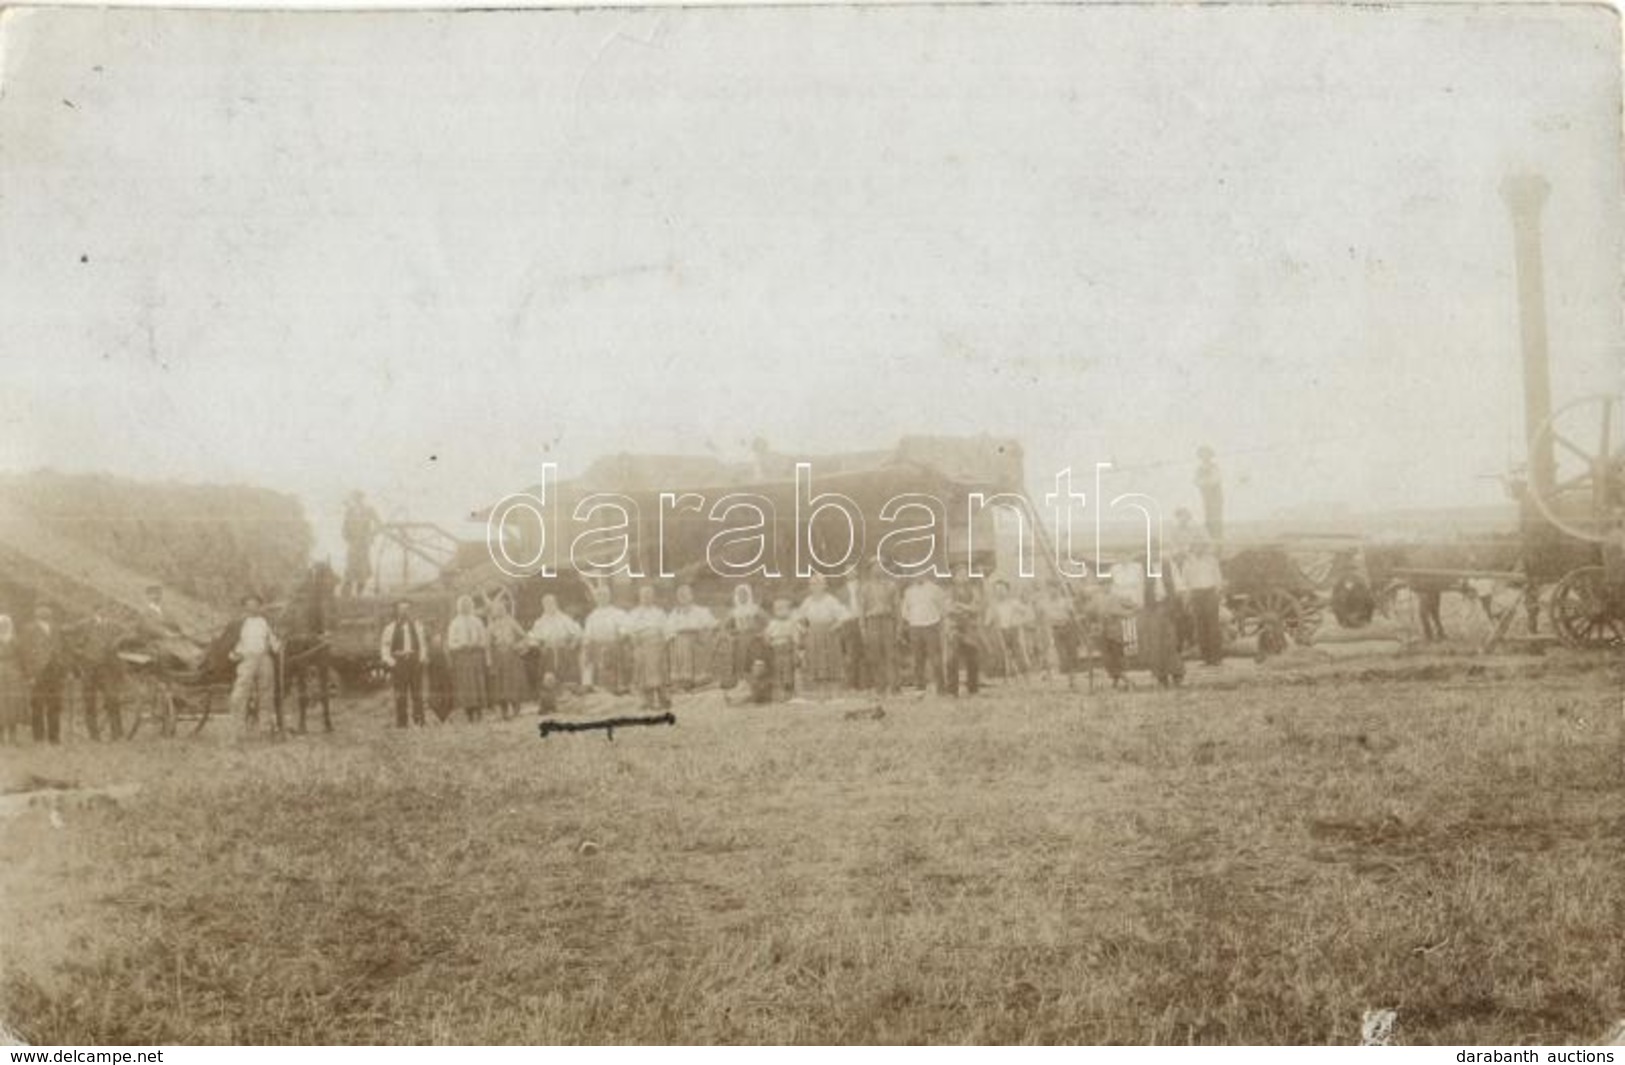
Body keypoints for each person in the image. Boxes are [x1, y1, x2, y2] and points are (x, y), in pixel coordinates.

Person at [228, 594, 282, 737]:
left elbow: (273, 642)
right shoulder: (239, 623)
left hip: (264, 659)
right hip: (247, 659)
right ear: (245, 607)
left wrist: (278, 645)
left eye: (255, 604)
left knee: (266, 694)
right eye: (249, 604)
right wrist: (234, 654)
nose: (252, 607)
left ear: (259, 606)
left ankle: (264, 729)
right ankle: (238, 730)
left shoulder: (265, 622)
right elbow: (231, 643)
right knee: (239, 694)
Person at [76, 607, 128, 740]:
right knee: (89, 701)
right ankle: (93, 735)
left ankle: (117, 733)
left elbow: (127, 632)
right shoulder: (85, 624)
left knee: (112, 699)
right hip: (89, 668)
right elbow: (69, 634)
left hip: (107, 668)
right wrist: (78, 653)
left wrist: (118, 641)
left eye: (105, 611)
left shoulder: (113, 625)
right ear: (94, 612)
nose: (102, 613)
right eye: (99, 611)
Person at [797, 573, 850, 697]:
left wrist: (835, 625)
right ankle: (821, 693)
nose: (815, 587)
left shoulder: (830, 600)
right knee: (817, 663)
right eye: (812, 584)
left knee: (831, 662)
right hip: (814, 636)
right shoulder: (808, 601)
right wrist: (804, 629)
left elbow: (845, 615)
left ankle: (835, 693)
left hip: (829, 635)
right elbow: (799, 618)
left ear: (824, 586)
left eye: (818, 584)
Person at [378, 599, 427, 728]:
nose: (405, 612)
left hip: (414, 661)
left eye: (407, 609)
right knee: (400, 694)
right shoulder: (390, 628)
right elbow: (384, 647)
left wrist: (421, 659)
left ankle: (419, 721)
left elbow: (422, 645)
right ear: (397, 611)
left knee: (417, 693)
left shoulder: (417, 626)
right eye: (401, 609)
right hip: (399, 663)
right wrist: (392, 662)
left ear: (410, 611)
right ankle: (402, 723)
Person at [854, 561, 900, 694]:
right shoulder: (864, 588)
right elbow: (861, 610)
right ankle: (880, 687)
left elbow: (897, 608)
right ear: (870, 570)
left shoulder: (891, 586)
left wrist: (898, 627)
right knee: (875, 656)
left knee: (891, 655)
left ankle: (894, 687)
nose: (878, 570)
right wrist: (863, 629)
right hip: (872, 622)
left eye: (880, 567)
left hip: (887, 621)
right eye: (875, 567)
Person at [625, 586, 672, 711]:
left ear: (653, 597)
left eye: (649, 595)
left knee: (658, 672)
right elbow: (629, 631)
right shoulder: (633, 613)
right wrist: (634, 640)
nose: (646, 598)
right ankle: (645, 700)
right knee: (642, 673)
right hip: (641, 644)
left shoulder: (659, 612)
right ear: (640, 597)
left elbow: (667, 631)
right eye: (644, 595)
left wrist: (663, 644)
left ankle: (662, 699)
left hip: (657, 644)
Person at [1180, 540, 1226, 666]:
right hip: (1196, 595)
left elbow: (1218, 579)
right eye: (1195, 546)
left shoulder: (1211, 560)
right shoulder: (1188, 563)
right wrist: (1187, 598)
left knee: (1213, 626)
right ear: (1192, 548)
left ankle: (1216, 657)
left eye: (1201, 546)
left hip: (1210, 593)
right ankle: (1206, 658)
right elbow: (1184, 582)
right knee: (1200, 627)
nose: (1198, 549)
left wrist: (1217, 594)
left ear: (1204, 547)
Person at [900, 572, 947, 693]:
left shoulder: (935, 589)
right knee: (918, 659)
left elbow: (942, 608)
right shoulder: (909, 591)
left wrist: (937, 622)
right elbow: (904, 610)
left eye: (921, 572)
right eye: (915, 573)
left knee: (936, 658)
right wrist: (913, 620)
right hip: (915, 628)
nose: (918, 576)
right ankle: (920, 688)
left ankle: (941, 688)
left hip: (931, 626)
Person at [526, 594, 583, 693]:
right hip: (548, 653)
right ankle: (551, 699)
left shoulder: (564, 618)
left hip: (563, 652)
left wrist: (572, 645)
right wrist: (539, 647)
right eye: (546, 604)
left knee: (566, 677)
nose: (549, 606)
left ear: (556, 604)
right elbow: (533, 638)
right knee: (549, 678)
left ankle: (567, 697)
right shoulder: (540, 622)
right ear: (543, 606)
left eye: (551, 603)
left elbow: (577, 633)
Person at [666, 584, 718, 691]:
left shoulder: (700, 611)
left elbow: (712, 624)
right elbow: (668, 629)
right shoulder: (675, 613)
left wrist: (703, 633)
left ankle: (698, 679)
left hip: (698, 639)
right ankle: (684, 679)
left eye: (685, 594)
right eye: (680, 595)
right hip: (679, 641)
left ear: (691, 596)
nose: (683, 597)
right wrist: (672, 637)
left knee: (687, 643)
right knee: (680, 643)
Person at [446, 595, 489, 722]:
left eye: (467, 605)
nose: (465, 607)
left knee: (477, 683)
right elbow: (450, 643)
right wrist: (460, 645)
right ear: (459, 607)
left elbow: (484, 639)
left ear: (471, 606)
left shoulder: (477, 621)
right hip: (462, 656)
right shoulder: (454, 623)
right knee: (466, 685)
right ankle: (469, 713)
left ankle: (479, 711)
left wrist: (477, 644)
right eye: (462, 605)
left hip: (475, 654)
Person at [944, 563, 985, 696]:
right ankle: (952, 690)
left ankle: (973, 689)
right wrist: (966, 608)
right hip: (954, 627)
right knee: (952, 659)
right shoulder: (949, 591)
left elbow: (977, 608)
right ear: (954, 577)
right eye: (959, 574)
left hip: (970, 628)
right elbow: (948, 608)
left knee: (973, 658)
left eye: (965, 574)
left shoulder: (973, 590)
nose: (963, 576)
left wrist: (961, 606)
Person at [581, 585, 630, 695]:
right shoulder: (592, 616)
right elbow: (588, 635)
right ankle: (591, 685)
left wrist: (621, 634)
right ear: (596, 599)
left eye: (604, 596)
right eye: (599, 596)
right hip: (596, 646)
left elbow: (624, 628)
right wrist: (587, 645)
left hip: (613, 644)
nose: (602, 598)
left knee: (614, 656)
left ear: (609, 597)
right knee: (587, 655)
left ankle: (617, 686)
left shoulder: (617, 613)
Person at [486, 599, 528, 719]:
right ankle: (504, 709)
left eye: (501, 609)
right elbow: (487, 645)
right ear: (493, 611)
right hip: (498, 656)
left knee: (512, 681)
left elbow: (524, 636)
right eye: (497, 610)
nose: (499, 612)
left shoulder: (511, 622)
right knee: (500, 683)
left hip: (511, 655)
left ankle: (516, 706)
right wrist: (489, 660)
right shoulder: (491, 625)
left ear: (505, 610)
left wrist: (519, 646)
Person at [1037, 581, 1082, 688]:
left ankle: (1072, 679)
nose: (1053, 591)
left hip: (1068, 627)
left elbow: (1073, 615)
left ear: (1058, 589)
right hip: (1055, 630)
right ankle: (1065, 676)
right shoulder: (1044, 603)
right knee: (1062, 654)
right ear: (1047, 590)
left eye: (1055, 589)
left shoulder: (1065, 601)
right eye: (1050, 589)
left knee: (1072, 653)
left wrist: (1075, 625)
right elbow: (1039, 616)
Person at [721, 584, 765, 689]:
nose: (742, 597)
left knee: (754, 654)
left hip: (754, 637)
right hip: (740, 637)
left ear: (749, 595)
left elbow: (766, 622)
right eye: (740, 595)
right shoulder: (734, 612)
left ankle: (754, 679)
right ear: (736, 596)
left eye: (744, 594)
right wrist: (730, 634)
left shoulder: (755, 608)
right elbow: (725, 626)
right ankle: (741, 678)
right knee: (740, 652)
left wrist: (761, 632)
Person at [987, 580, 1032, 681]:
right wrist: (991, 620)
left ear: (1007, 590)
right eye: (997, 590)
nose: (1000, 592)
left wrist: (1020, 621)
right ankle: (1008, 675)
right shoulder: (993, 606)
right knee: (1004, 653)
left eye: (1002, 589)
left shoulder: (1013, 603)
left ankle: (1025, 674)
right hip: (1001, 631)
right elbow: (987, 621)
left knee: (1019, 651)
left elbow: (1028, 613)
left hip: (1014, 629)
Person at [341, 491, 381, 598]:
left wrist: (371, 535)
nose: (357, 500)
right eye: (355, 498)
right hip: (353, 543)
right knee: (350, 566)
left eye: (359, 498)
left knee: (363, 567)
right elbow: (344, 526)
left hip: (364, 543)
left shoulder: (369, 510)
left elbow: (379, 524)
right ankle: (346, 593)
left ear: (362, 499)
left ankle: (359, 593)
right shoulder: (349, 511)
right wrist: (347, 537)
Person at [763, 597, 800, 701]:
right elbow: (767, 635)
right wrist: (768, 642)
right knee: (777, 670)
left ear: (789, 611)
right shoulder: (772, 623)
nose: (782, 612)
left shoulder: (791, 623)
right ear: (774, 611)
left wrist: (796, 649)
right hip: (776, 649)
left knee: (788, 670)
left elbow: (795, 637)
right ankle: (779, 694)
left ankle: (789, 693)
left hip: (787, 648)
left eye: (785, 609)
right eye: (778, 609)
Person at [0, 616, 27, 745]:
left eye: (5, 625)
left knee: (13, 704)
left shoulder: (16, 640)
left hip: (14, 674)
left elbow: (22, 658)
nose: (3, 627)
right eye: (1, 625)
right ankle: (1, 737)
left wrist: (24, 673)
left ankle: (13, 735)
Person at [1194, 447, 1224, 544]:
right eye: (1202, 455)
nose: (1204, 457)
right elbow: (1196, 481)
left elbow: (1215, 480)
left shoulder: (1214, 467)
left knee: (1216, 517)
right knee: (1208, 517)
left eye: (1207, 454)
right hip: (1205, 496)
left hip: (1215, 496)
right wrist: (1205, 483)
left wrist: (1205, 482)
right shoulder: (1199, 469)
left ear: (1210, 456)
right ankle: (1210, 538)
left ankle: (1218, 539)